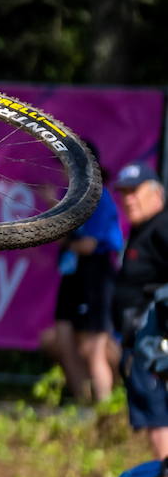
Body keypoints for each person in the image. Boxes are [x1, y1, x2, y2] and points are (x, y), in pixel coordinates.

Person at [52, 144, 123, 403]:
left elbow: (89, 245)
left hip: (96, 273)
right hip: (74, 272)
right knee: (62, 336)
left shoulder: (98, 197)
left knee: (95, 348)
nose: (60, 170)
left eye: (65, 163)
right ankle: (83, 400)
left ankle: (104, 407)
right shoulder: (67, 196)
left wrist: (67, 241)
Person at [112, 161, 168, 460]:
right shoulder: (141, 229)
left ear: (156, 193)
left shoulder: (162, 226)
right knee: (150, 411)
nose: (128, 199)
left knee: (157, 410)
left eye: (134, 191)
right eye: (124, 193)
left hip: (155, 342)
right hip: (137, 340)